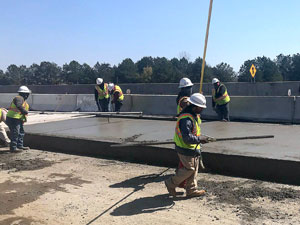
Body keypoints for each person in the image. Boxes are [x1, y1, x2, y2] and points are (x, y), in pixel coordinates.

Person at [165, 93, 209, 198]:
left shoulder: (193, 116)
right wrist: (199, 139)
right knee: (190, 169)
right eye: (201, 107)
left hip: (192, 148)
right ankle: (170, 183)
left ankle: (191, 190)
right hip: (185, 148)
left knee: (194, 169)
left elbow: (193, 132)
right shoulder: (186, 119)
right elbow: (187, 138)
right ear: (195, 106)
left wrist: (200, 138)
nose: (202, 109)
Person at [6, 86, 31, 152]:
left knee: (21, 132)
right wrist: (23, 111)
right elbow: (18, 105)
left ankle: (20, 145)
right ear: (24, 94)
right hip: (13, 118)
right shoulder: (19, 98)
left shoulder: (24, 102)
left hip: (18, 119)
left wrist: (23, 119)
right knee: (15, 133)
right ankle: (13, 148)